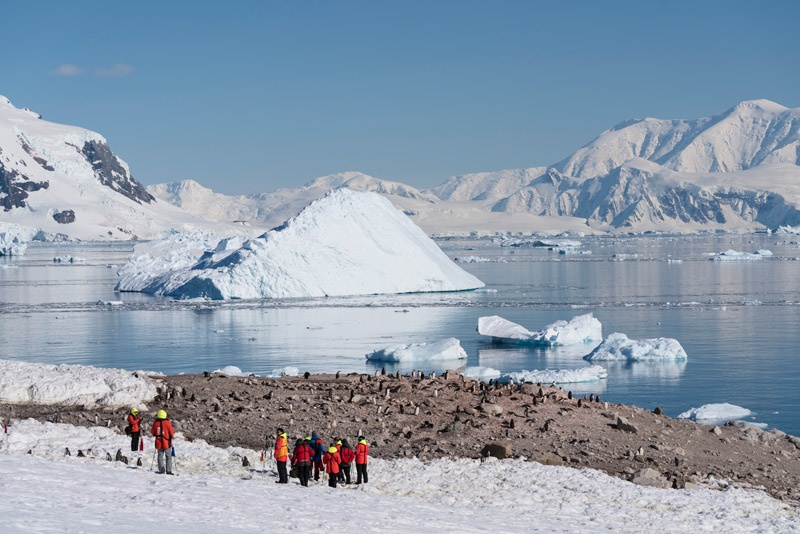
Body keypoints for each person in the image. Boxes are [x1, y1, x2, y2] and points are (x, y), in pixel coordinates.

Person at [151, 409, 175, 475]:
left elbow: (152, 432)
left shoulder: (155, 423)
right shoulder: (167, 423)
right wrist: (172, 436)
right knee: (168, 456)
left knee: (160, 456)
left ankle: (161, 470)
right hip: (167, 442)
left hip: (159, 442)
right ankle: (168, 470)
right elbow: (171, 432)